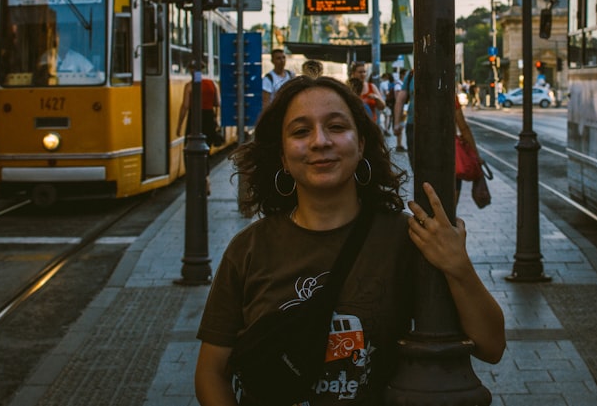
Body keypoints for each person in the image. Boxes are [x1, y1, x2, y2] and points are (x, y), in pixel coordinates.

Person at [194, 76, 505, 404]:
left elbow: (492, 345)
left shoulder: (407, 238)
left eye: (337, 127)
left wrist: (459, 266)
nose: (319, 141)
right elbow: (210, 373)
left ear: (361, 145)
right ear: (283, 157)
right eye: (300, 131)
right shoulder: (247, 250)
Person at [177, 74, 222, 146]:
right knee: (207, 145)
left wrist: (179, 126)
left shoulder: (189, 85)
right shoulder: (213, 84)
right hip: (209, 117)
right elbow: (218, 103)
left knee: (190, 144)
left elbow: (185, 106)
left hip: (194, 117)